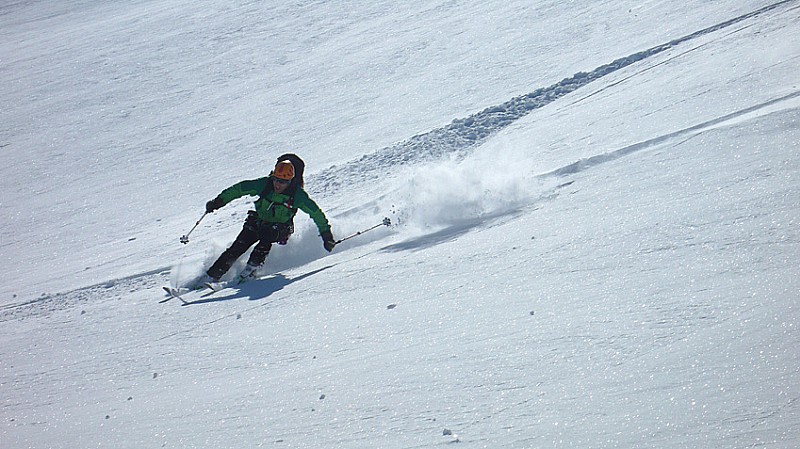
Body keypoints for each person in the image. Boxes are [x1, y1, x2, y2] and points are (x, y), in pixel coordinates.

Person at [199, 154, 335, 285]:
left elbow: (317, 214)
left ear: (290, 181)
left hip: (280, 229)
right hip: (259, 221)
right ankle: (212, 275)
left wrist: (326, 234)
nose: (277, 184)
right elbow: (239, 189)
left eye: (282, 182)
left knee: (267, 235)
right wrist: (218, 201)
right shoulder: (265, 184)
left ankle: (251, 269)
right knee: (238, 246)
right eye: (275, 179)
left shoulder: (298, 196)